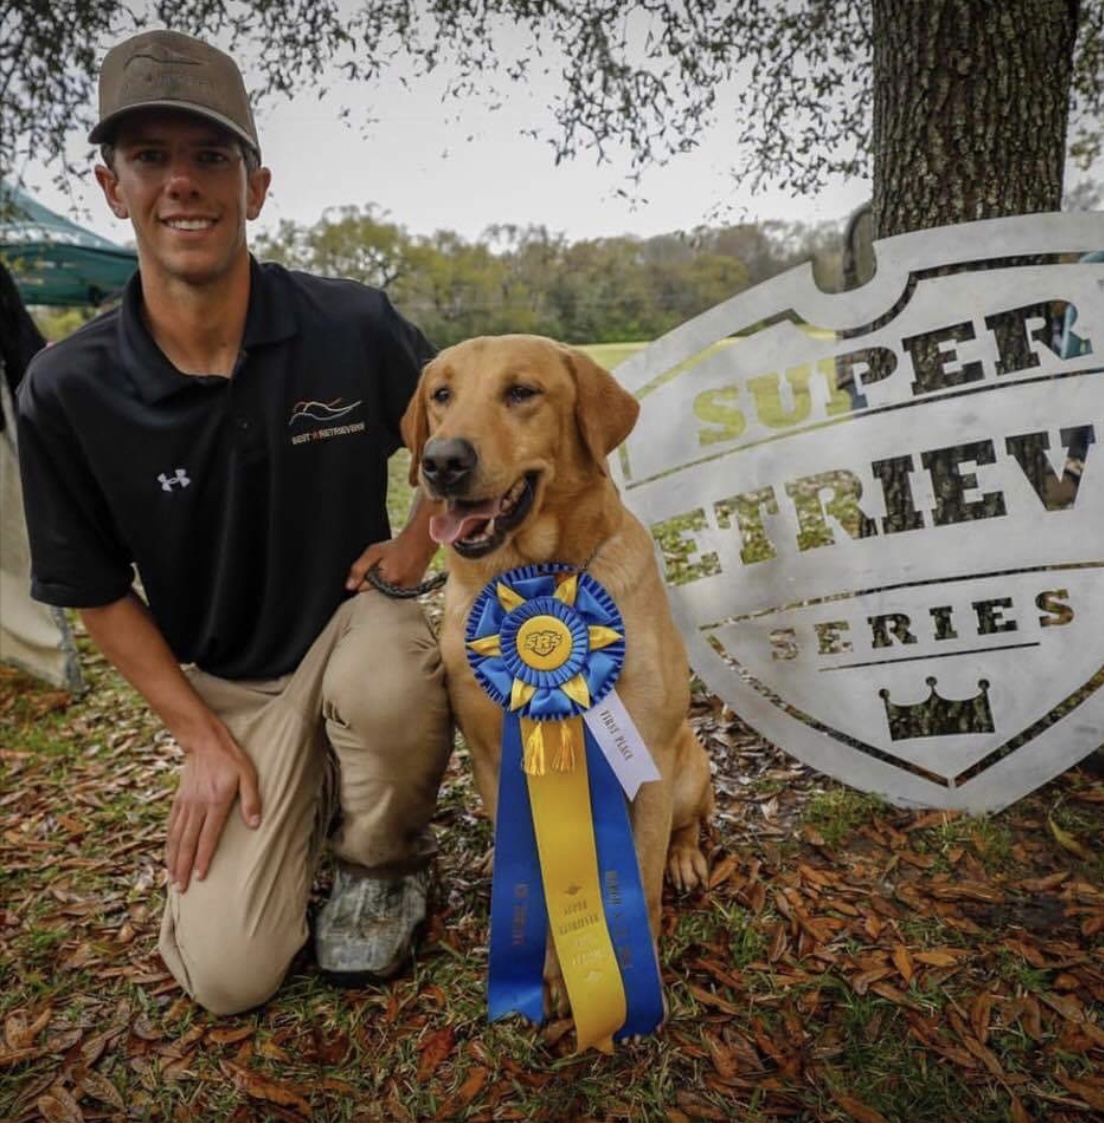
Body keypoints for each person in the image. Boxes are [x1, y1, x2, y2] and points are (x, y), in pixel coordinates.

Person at [15, 29, 453, 1016]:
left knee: (389, 677)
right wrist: (200, 738)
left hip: (350, 631)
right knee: (227, 979)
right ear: (110, 186)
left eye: (212, 156)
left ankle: (382, 858)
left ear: (255, 187)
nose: (183, 183)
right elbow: (89, 587)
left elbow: (457, 437)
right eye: (150, 158)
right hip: (228, 690)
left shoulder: (351, 324)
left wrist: (412, 544)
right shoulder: (65, 388)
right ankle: (299, 799)